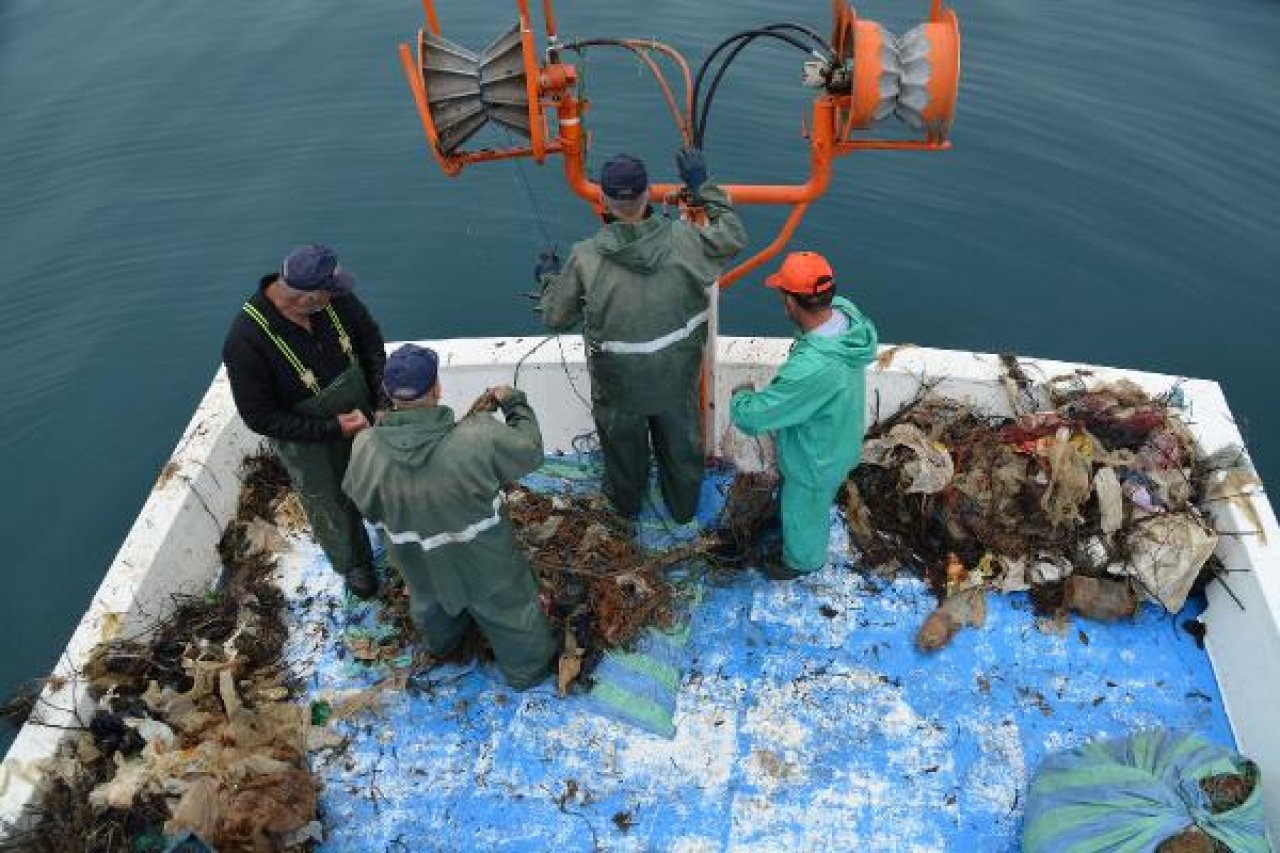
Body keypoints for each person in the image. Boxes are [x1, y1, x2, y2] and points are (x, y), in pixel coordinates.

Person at [538, 149, 746, 523]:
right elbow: (732, 235)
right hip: (676, 377)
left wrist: (548, 279)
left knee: (623, 454)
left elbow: (555, 316)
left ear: (602, 198)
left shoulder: (585, 257)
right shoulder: (685, 238)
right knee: (681, 450)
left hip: (619, 388)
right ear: (647, 193)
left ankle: (627, 512)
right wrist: (702, 186)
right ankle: (683, 512)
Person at [341, 345, 556, 690]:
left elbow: (360, 500)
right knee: (508, 608)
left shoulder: (365, 446)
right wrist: (514, 403)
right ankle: (529, 671)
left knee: (430, 603)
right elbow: (529, 452)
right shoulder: (477, 435)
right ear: (437, 389)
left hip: (417, 561)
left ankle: (443, 647)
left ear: (388, 393)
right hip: (483, 560)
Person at [222, 244, 386, 598]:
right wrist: (330, 429)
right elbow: (259, 416)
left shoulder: (336, 299)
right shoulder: (245, 341)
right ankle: (355, 566)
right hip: (310, 443)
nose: (340, 295)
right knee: (330, 503)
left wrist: (381, 399)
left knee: (385, 477)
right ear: (305, 298)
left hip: (365, 413)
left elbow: (370, 340)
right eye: (331, 291)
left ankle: (400, 539)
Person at [729, 251, 879, 580]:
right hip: (839, 437)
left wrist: (740, 399)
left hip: (815, 462)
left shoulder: (813, 369)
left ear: (791, 304)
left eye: (783, 295)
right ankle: (795, 523)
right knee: (805, 501)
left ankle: (801, 562)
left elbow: (754, 418)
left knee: (805, 512)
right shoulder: (845, 313)